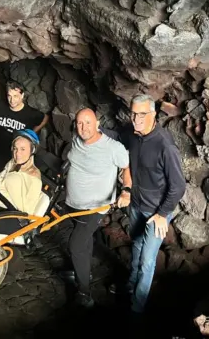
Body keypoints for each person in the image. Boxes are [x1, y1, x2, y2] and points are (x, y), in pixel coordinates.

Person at [116, 95, 186, 317]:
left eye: (141, 114)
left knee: (147, 261)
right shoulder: (134, 136)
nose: (136, 118)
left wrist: (162, 214)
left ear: (153, 115)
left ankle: (137, 308)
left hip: (156, 212)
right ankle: (130, 284)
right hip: (137, 204)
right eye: (133, 113)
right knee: (136, 245)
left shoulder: (165, 145)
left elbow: (178, 187)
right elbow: (120, 145)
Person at [64, 108, 131, 308]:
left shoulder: (113, 148)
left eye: (87, 123)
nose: (83, 127)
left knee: (75, 245)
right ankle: (83, 270)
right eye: (79, 123)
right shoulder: (76, 139)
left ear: (97, 123)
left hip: (94, 207)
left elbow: (126, 168)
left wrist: (126, 190)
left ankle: (84, 291)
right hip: (73, 204)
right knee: (84, 242)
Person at [0, 80, 49, 171]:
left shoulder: (31, 113)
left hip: (18, 153)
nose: (12, 100)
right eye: (9, 96)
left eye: (15, 96)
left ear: (22, 95)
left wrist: (32, 132)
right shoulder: (0, 106)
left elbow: (45, 118)